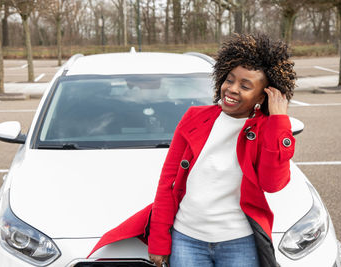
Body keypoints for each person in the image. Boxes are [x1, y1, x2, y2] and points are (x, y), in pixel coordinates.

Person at [88, 33, 296, 267]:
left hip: (239, 242)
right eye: (230, 79)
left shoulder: (265, 130)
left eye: (245, 86)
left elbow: (273, 183)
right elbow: (167, 183)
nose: (232, 89)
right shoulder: (194, 118)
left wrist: (279, 122)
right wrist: (159, 241)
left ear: (263, 95)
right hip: (187, 240)